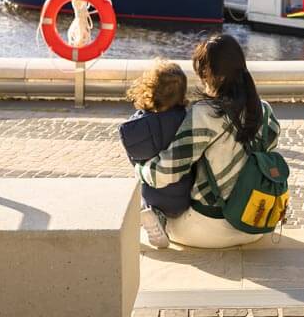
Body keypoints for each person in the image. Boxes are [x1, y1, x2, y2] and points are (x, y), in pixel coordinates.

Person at [136, 35, 280, 249]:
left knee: (147, 183)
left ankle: (157, 217)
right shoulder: (265, 110)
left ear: (208, 73)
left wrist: (141, 170)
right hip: (255, 224)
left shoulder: (206, 113)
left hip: (210, 228)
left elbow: (165, 172)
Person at [119, 60, 194, 249]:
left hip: (152, 192)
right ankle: (156, 217)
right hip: (185, 195)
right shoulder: (187, 119)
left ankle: (149, 214)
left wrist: (142, 112)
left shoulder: (140, 126)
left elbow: (134, 156)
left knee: (140, 169)